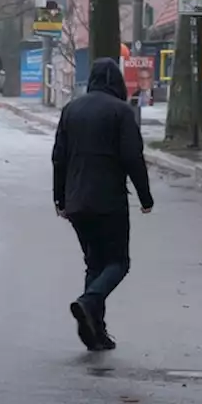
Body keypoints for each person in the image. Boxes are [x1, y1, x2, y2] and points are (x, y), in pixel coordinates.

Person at [52, 57, 153, 350]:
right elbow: (132, 157)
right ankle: (89, 302)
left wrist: (59, 197)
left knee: (94, 263)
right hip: (109, 200)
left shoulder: (71, 110)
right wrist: (145, 197)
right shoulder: (121, 112)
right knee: (118, 263)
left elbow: (59, 157)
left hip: (76, 201)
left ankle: (95, 330)